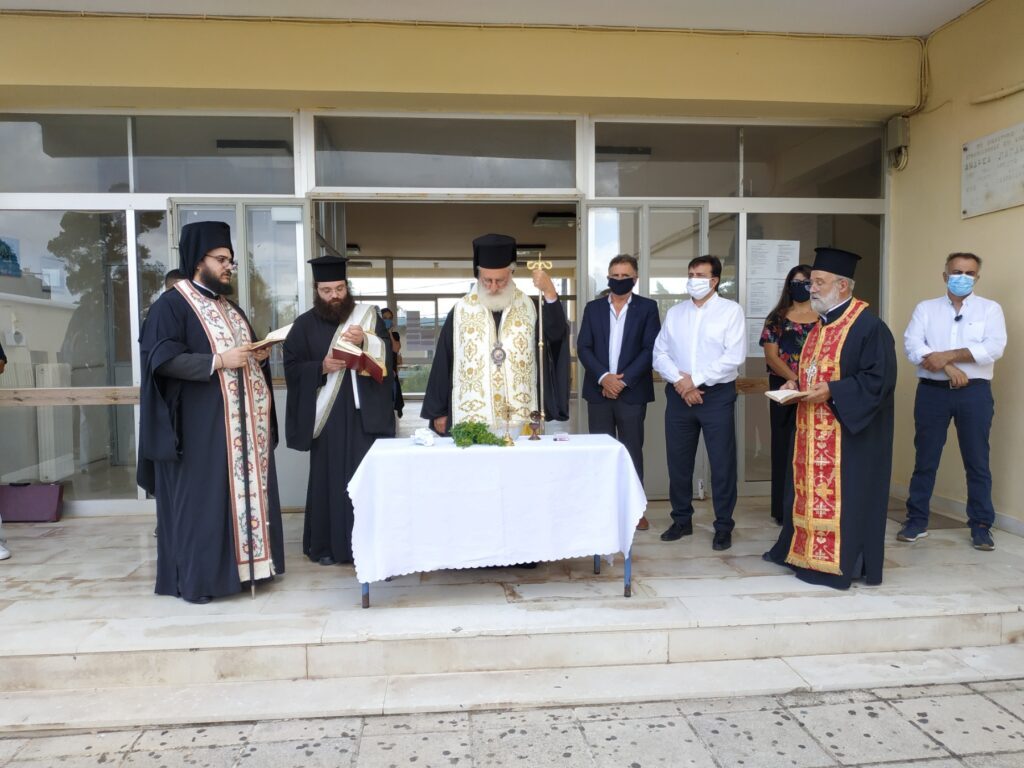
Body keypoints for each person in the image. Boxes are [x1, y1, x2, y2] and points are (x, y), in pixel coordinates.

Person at [137, 221, 285, 604]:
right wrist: (218, 360)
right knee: (202, 507)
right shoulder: (172, 305)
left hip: (240, 432)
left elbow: (241, 356)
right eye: (221, 259)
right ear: (197, 260)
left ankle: (245, 571)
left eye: (231, 261)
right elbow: (161, 360)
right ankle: (201, 581)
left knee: (234, 503)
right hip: (197, 432)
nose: (228, 267)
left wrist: (257, 355)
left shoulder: (231, 309)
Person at [764, 247, 897, 590]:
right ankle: (802, 553)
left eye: (819, 282)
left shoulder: (868, 326)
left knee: (846, 501)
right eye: (812, 282)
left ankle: (842, 563)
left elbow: (879, 380)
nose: (812, 289)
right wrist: (796, 384)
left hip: (848, 438)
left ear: (842, 286)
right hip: (811, 432)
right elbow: (812, 372)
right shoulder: (819, 327)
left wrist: (833, 392)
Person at [283, 256, 395, 566]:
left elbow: (389, 359)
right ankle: (328, 547)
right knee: (330, 480)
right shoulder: (304, 325)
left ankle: (370, 546)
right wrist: (319, 368)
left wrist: (368, 341)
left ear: (347, 287)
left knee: (366, 480)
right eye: (327, 290)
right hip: (328, 417)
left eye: (340, 289)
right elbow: (291, 367)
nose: (334, 296)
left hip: (365, 414)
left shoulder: (367, 318)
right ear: (316, 290)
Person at [900, 252, 1006, 550]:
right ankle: (916, 520)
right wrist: (948, 367)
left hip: (975, 393)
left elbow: (994, 347)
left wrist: (946, 355)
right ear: (945, 275)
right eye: (957, 272)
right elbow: (912, 345)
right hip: (932, 392)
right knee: (925, 459)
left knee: (977, 460)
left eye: (969, 273)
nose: (963, 277)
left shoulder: (990, 309)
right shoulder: (926, 309)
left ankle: (981, 525)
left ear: (977, 277)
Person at [421, 233, 570, 435]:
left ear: (511, 273)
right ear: (478, 275)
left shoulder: (530, 308)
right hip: (471, 418)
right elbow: (444, 359)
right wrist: (438, 411)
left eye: (500, 281)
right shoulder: (460, 311)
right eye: (487, 280)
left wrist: (550, 293)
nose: (493, 287)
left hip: (522, 418)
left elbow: (556, 336)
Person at [653, 255, 745, 551]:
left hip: (716, 396)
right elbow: (659, 353)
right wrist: (681, 382)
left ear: (714, 280)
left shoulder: (730, 311)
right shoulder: (676, 313)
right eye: (690, 274)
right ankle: (681, 520)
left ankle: (723, 526)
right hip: (679, 396)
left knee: (722, 463)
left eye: (700, 275)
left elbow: (733, 356)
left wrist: (695, 380)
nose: (693, 280)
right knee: (678, 462)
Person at [577, 254, 661, 530]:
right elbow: (584, 347)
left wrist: (622, 382)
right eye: (615, 275)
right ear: (608, 277)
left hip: (632, 392)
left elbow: (650, 348)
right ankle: (603, 509)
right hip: (599, 392)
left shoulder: (647, 308)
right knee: (602, 451)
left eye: (625, 276)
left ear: (635, 279)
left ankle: (635, 511)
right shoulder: (593, 308)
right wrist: (604, 378)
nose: (620, 280)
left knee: (631, 451)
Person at [759, 264, 817, 525]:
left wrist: (809, 384)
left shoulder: (825, 317)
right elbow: (771, 356)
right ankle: (783, 510)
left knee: (812, 447)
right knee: (784, 446)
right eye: (795, 282)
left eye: (806, 282)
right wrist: (795, 379)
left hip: (817, 390)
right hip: (784, 388)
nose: (800, 287)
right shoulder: (777, 318)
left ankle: (811, 506)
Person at [380, 307, 404, 419]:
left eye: (390, 318)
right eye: (385, 318)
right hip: (378, 372)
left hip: (392, 372)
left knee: (393, 398)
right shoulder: (374, 334)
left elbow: (396, 349)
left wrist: (389, 332)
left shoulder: (395, 335)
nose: (387, 320)